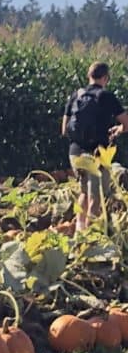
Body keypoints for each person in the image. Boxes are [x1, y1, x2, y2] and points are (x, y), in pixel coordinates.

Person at [62, 61, 128, 233]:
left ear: (88, 76)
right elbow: (126, 123)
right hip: (97, 153)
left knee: (84, 192)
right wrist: (118, 130)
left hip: (75, 153)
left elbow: (64, 129)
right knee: (96, 198)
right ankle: (91, 237)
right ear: (105, 78)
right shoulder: (106, 96)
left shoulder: (76, 95)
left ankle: (79, 232)